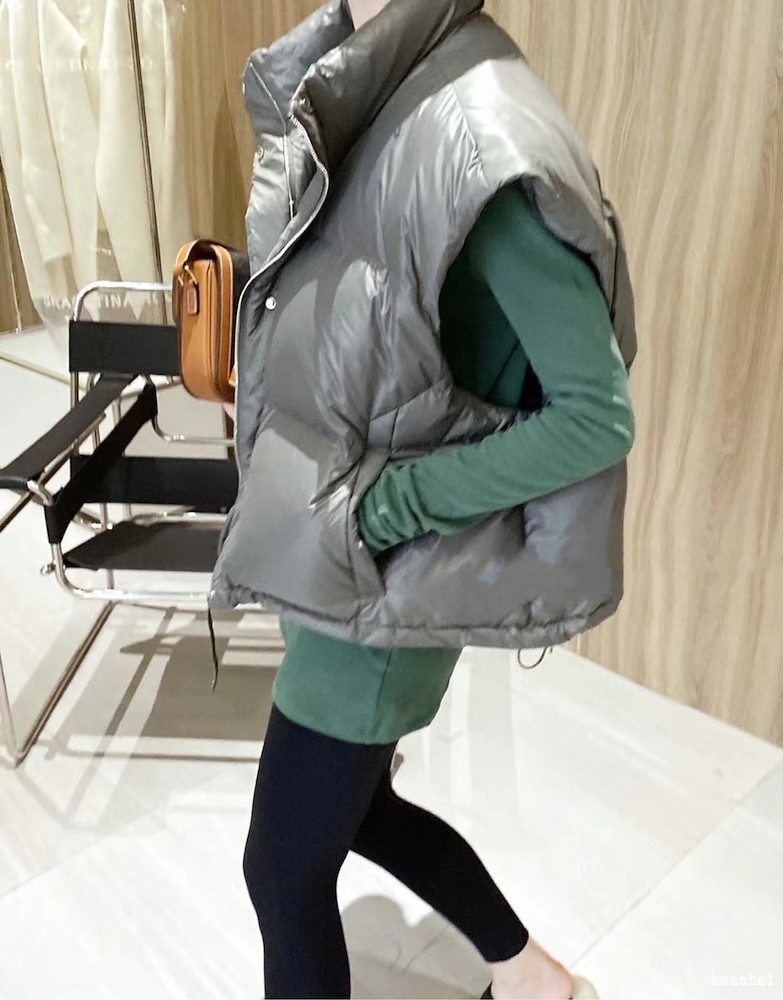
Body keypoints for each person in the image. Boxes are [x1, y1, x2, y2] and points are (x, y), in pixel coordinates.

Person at [230, 1, 636, 997]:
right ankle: (531, 975)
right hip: (340, 557)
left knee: (281, 872)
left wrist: (386, 509)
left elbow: (594, 416)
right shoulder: (390, 85)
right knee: (356, 810)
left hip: (377, 585)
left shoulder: (477, 137)